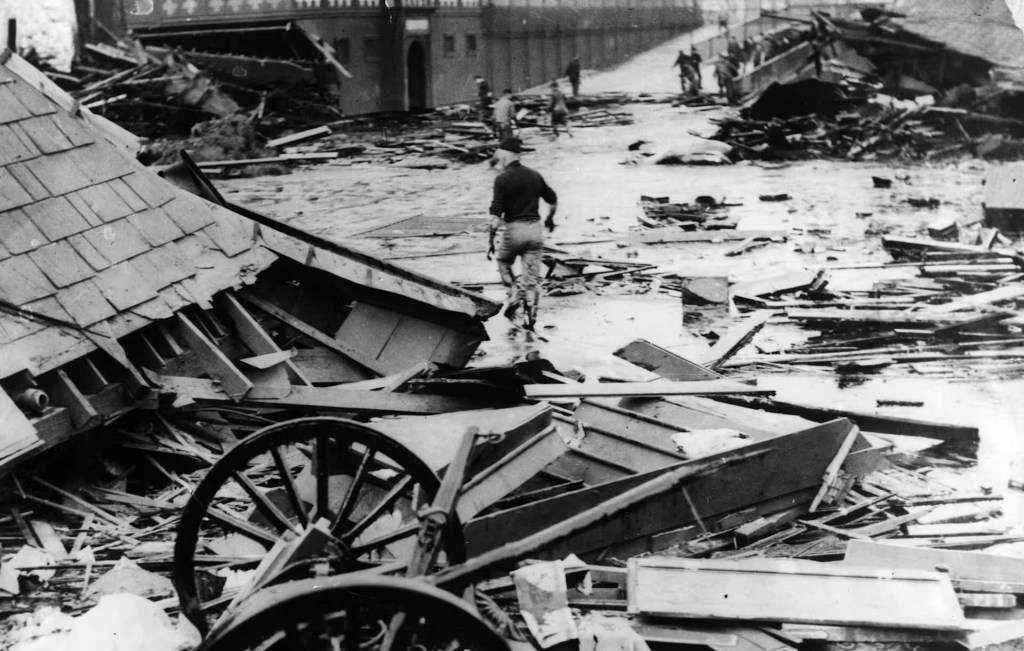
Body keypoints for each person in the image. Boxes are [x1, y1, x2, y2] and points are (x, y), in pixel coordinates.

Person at [487, 137, 558, 329]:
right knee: (532, 279)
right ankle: (531, 318)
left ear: (504, 156)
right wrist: (550, 219)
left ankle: (514, 293)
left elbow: (495, 215)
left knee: (503, 261)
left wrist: (490, 240)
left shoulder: (502, 179)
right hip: (535, 231)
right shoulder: (535, 175)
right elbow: (553, 200)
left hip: (514, 231)